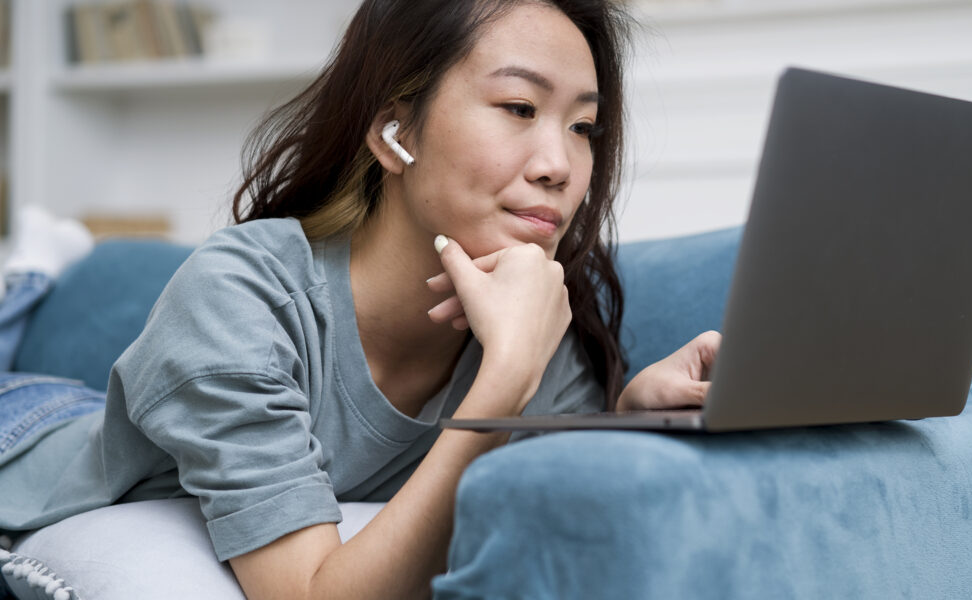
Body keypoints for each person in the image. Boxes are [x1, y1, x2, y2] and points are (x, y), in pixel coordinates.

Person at [0, 0, 721, 597]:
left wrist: (629, 419)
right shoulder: (238, 293)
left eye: (583, 127)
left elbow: (543, 487)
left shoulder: (537, 317)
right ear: (392, 131)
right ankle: (29, 275)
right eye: (518, 106)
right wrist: (503, 380)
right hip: (29, 433)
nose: (560, 166)